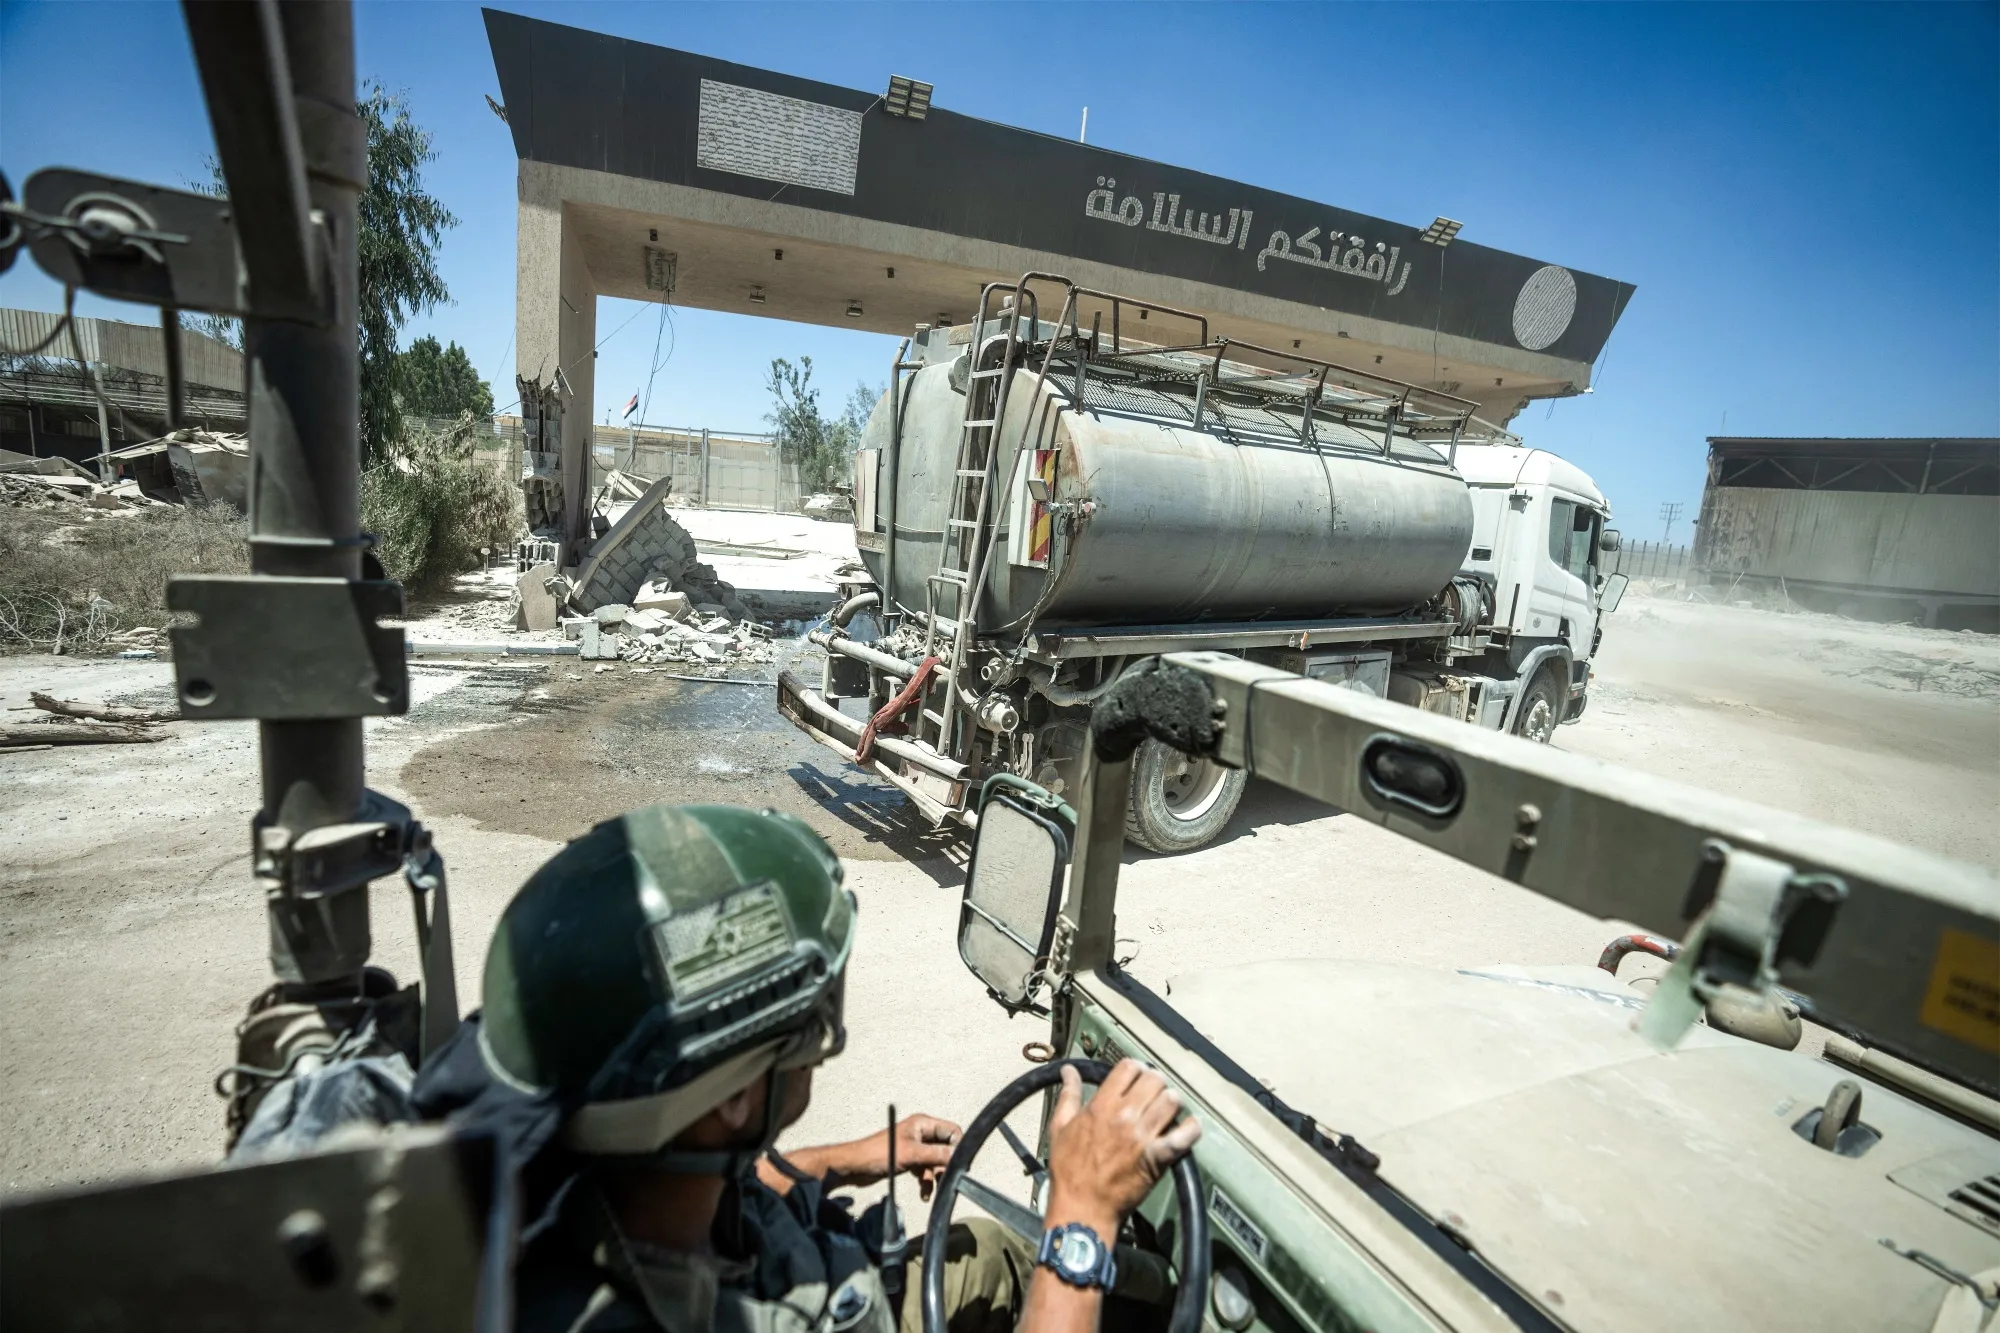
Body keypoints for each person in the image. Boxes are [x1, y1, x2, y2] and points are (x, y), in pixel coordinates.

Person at [414, 802, 1197, 1333]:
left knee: (990, 1253)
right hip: (830, 1295)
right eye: (805, 1021)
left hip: (808, 1263)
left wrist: (853, 1158)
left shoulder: (597, 1173)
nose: (825, 1032)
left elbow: (716, 1187)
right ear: (730, 1102)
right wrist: (1084, 1218)